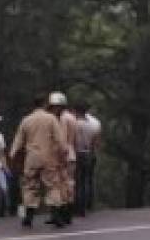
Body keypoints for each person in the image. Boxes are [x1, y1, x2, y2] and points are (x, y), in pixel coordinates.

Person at [9, 94, 67, 228]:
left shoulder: (26, 120)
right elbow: (59, 139)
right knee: (52, 185)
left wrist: (13, 155)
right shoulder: (51, 118)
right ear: (45, 104)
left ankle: (28, 217)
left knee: (30, 186)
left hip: (32, 157)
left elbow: (18, 141)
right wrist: (63, 153)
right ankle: (56, 215)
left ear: (33, 105)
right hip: (48, 157)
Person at [45, 92, 76, 226]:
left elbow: (64, 139)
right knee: (59, 185)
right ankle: (60, 214)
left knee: (63, 185)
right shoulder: (68, 118)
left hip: (63, 154)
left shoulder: (63, 119)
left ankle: (64, 214)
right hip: (63, 154)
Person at [74, 102, 102, 216]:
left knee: (78, 181)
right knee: (88, 180)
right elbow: (96, 141)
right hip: (89, 153)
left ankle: (78, 206)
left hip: (76, 153)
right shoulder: (94, 123)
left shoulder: (73, 123)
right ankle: (88, 204)